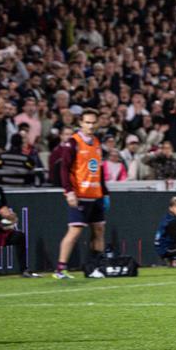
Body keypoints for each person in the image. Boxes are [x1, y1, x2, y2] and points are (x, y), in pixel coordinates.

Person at [55, 108, 109, 279]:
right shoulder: (74, 142)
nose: (91, 126)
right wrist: (69, 191)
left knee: (99, 230)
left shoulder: (98, 143)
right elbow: (64, 168)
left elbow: (99, 171)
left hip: (96, 195)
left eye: (93, 122)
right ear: (80, 123)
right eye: (87, 122)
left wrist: (105, 193)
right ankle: (60, 269)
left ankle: (95, 267)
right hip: (80, 195)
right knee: (75, 231)